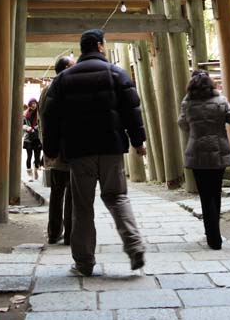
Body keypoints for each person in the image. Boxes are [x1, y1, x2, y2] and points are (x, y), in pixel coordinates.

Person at [42, 29, 148, 276]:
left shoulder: (64, 79)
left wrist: (51, 150)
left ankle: (84, 262)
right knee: (117, 197)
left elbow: (51, 117)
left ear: (82, 49)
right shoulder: (116, 73)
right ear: (100, 46)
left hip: (80, 152)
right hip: (111, 149)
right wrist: (138, 141)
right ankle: (134, 246)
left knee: (82, 207)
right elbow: (132, 109)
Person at [177, 69, 230, 250]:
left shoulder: (187, 103)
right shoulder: (220, 101)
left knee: (205, 195)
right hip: (218, 150)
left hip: (197, 151)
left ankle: (211, 235)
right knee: (215, 193)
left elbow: (183, 125)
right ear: (211, 85)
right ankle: (215, 237)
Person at [39, 55, 75, 245]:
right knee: (71, 193)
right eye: (73, 64)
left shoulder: (45, 91)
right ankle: (69, 233)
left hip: (52, 150)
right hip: (68, 149)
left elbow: (42, 123)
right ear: (66, 68)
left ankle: (54, 233)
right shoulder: (69, 88)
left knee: (57, 192)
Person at [23, 98, 42, 180]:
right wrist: (27, 128)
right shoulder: (25, 114)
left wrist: (35, 128)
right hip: (29, 138)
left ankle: (36, 170)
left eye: (35, 103)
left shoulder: (39, 113)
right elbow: (22, 124)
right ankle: (29, 174)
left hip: (37, 138)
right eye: (32, 104)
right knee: (29, 156)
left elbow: (41, 123)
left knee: (37, 157)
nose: (33, 105)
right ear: (29, 105)